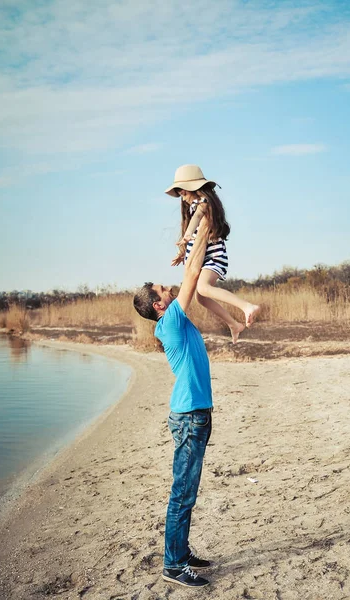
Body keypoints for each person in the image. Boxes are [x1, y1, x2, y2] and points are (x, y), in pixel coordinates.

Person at [133, 217, 214, 588]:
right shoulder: (169, 323)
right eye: (163, 288)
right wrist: (202, 230)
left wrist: (192, 239)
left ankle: (180, 554)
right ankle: (173, 566)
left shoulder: (174, 322)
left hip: (194, 414)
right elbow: (194, 274)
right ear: (158, 304)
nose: (169, 287)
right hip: (188, 417)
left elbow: (193, 277)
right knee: (182, 493)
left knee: (187, 491)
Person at [166, 164, 260, 343]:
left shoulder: (203, 204)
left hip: (214, 258)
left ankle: (247, 306)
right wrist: (182, 251)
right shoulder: (194, 206)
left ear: (193, 188)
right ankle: (233, 324)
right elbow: (193, 231)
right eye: (179, 193)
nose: (181, 197)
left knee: (203, 288)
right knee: (200, 298)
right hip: (204, 258)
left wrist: (186, 237)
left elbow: (194, 223)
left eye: (183, 192)